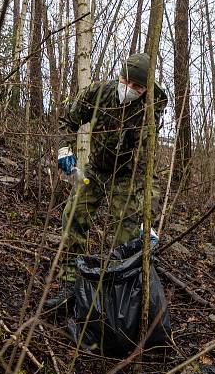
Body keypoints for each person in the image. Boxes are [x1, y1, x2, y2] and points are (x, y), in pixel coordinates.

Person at [46, 52, 168, 310]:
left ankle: (120, 299)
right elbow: (67, 120)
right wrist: (63, 149)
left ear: (145, 89)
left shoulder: (148, 113)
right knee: (73, 216)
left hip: (126, 176)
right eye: (126, 81)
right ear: (120, 76)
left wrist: (149, 218)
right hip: (95, 169)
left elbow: (148, 168)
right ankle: (70, 285)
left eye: (137, 87)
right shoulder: (99, 93)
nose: (130, 89)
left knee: (128, 236)